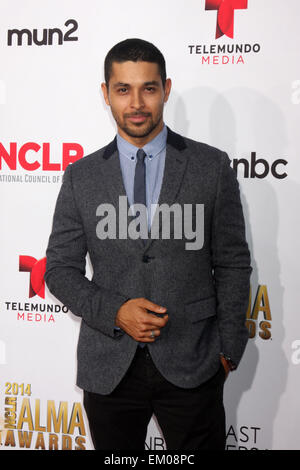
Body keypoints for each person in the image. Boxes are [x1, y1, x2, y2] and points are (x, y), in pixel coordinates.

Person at [45, 38, 252, 450]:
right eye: (123, 89)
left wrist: (228, 350)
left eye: (149, 88)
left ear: (166, 89)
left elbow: (231, 263)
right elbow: (59, 269)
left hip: (193, 363)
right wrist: (116, 311)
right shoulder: (80, 177)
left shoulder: (211, 167)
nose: (136, 102)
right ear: (106, 94)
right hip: (109, 366)